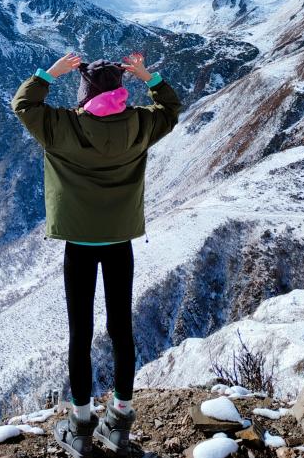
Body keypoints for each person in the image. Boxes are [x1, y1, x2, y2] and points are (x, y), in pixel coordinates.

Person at [10, 51, 183, 458]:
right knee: (121, 329)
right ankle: (119, 424)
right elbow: (171, 109)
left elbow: (24, 104)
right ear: (121, 90)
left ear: (84, 93)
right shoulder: (140, 124)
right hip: (119, 241)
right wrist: (149, 76)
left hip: (80, 244)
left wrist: (48, 73)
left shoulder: (62, 127)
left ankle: (81, 426)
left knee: (81, 333)